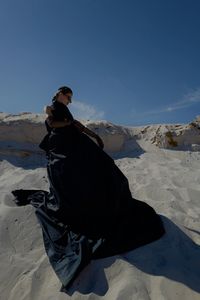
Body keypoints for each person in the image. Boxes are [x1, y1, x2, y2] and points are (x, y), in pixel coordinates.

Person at [11, 86, 165, 292]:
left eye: (71, 98)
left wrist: (96, 137)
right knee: (79, 177)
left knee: (104, 168)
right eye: (69, 96)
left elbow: (79, 126)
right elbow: (52, 123)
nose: (70, 100)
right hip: (62, 148)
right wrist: (67, 123)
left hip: (75, 143)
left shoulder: (63, 109)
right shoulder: (52, 108)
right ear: (60, 94)